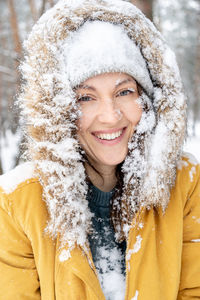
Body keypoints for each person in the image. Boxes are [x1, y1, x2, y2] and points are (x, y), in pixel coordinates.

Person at [0, 0, 200, 299]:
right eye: (85, 98)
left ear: (147, 99)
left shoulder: (186, 182)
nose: (110, 115)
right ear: (57, 111)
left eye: (124, 92)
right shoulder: (16, 202)